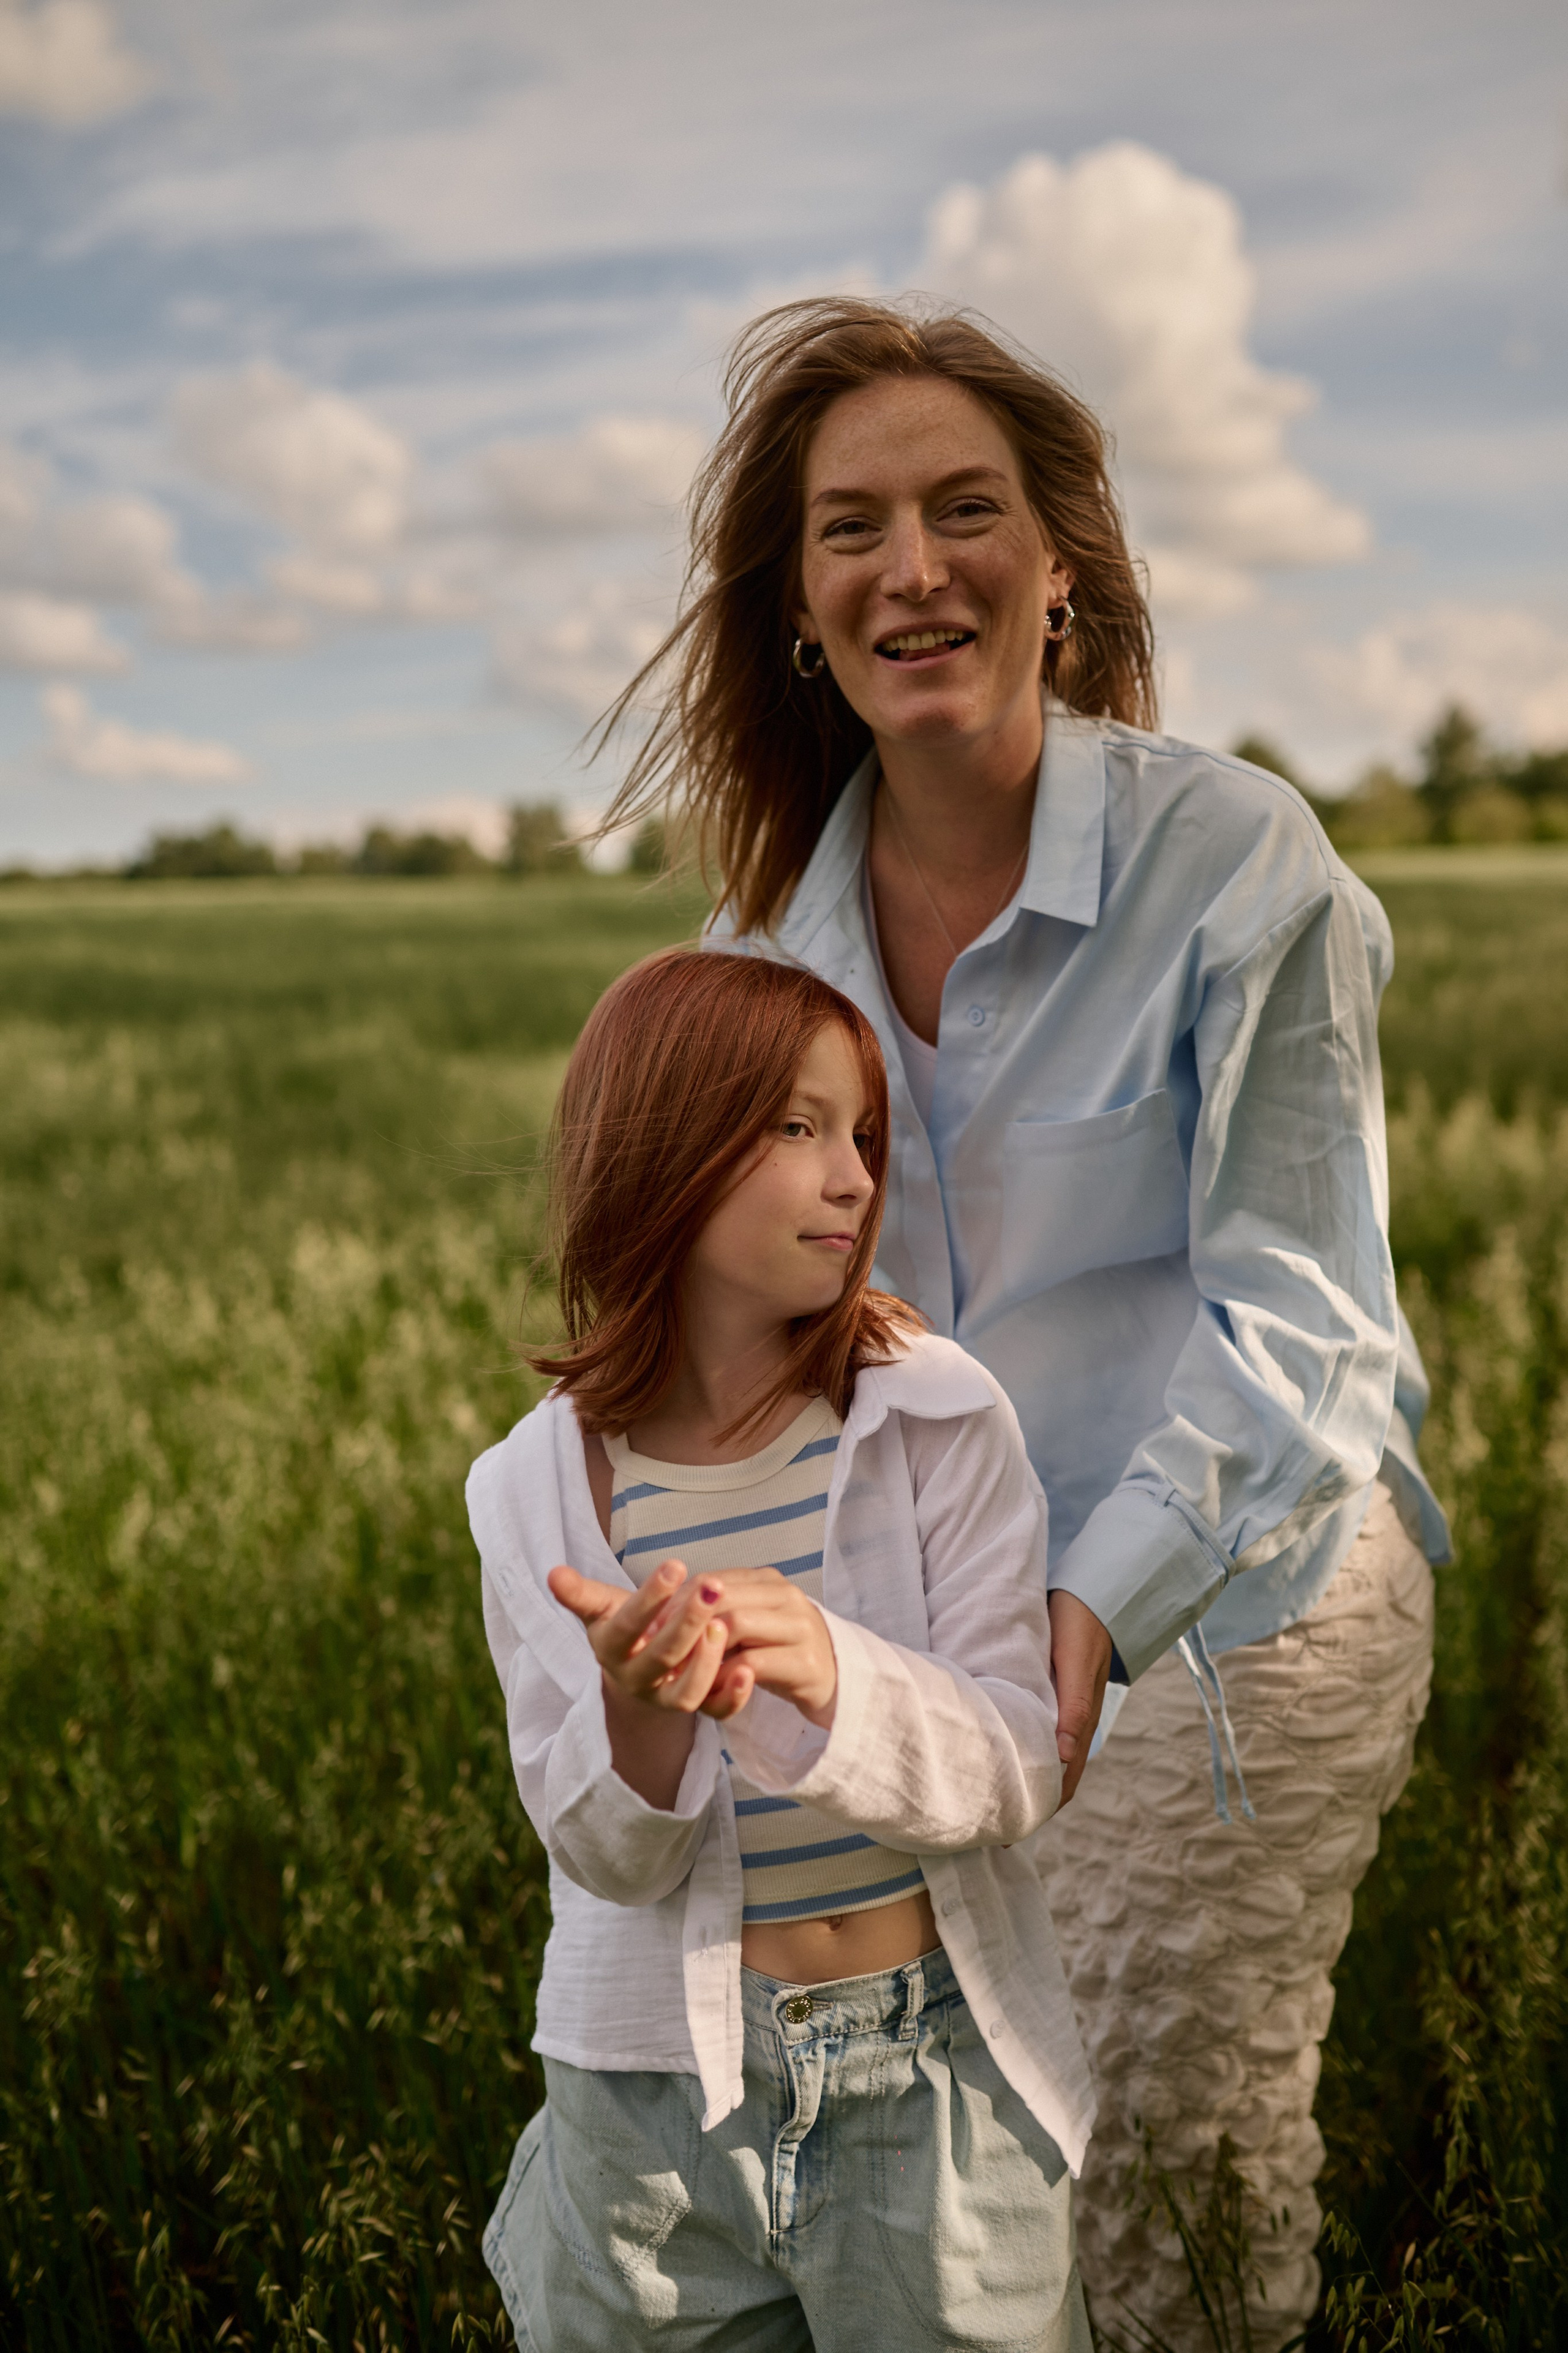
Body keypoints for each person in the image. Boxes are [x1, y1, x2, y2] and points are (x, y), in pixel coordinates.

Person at [595, 298, 1451, 2349]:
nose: (915, 568)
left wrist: (1081, 1620)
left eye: (968, 510)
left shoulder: (1238, 867)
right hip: (928, 1628)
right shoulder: (758, 950)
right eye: (853, 528)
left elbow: (1304, 1328)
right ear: (799, 605)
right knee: (936, 2170)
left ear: (1059, 568)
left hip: (1240, 1602)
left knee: (1149, 2157)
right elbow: (749, 1330)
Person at [469, 945, 1096, 2352]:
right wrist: (642, 1709)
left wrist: (826, 1662)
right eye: (797, 1128)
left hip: (926, 2083)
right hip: (650, 2107)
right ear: (664, 1149)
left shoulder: (934, 1415)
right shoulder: (534, 1488)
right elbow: (601, 1856)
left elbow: (1014, 1764)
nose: (854, 1179)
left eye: (862, 1135)